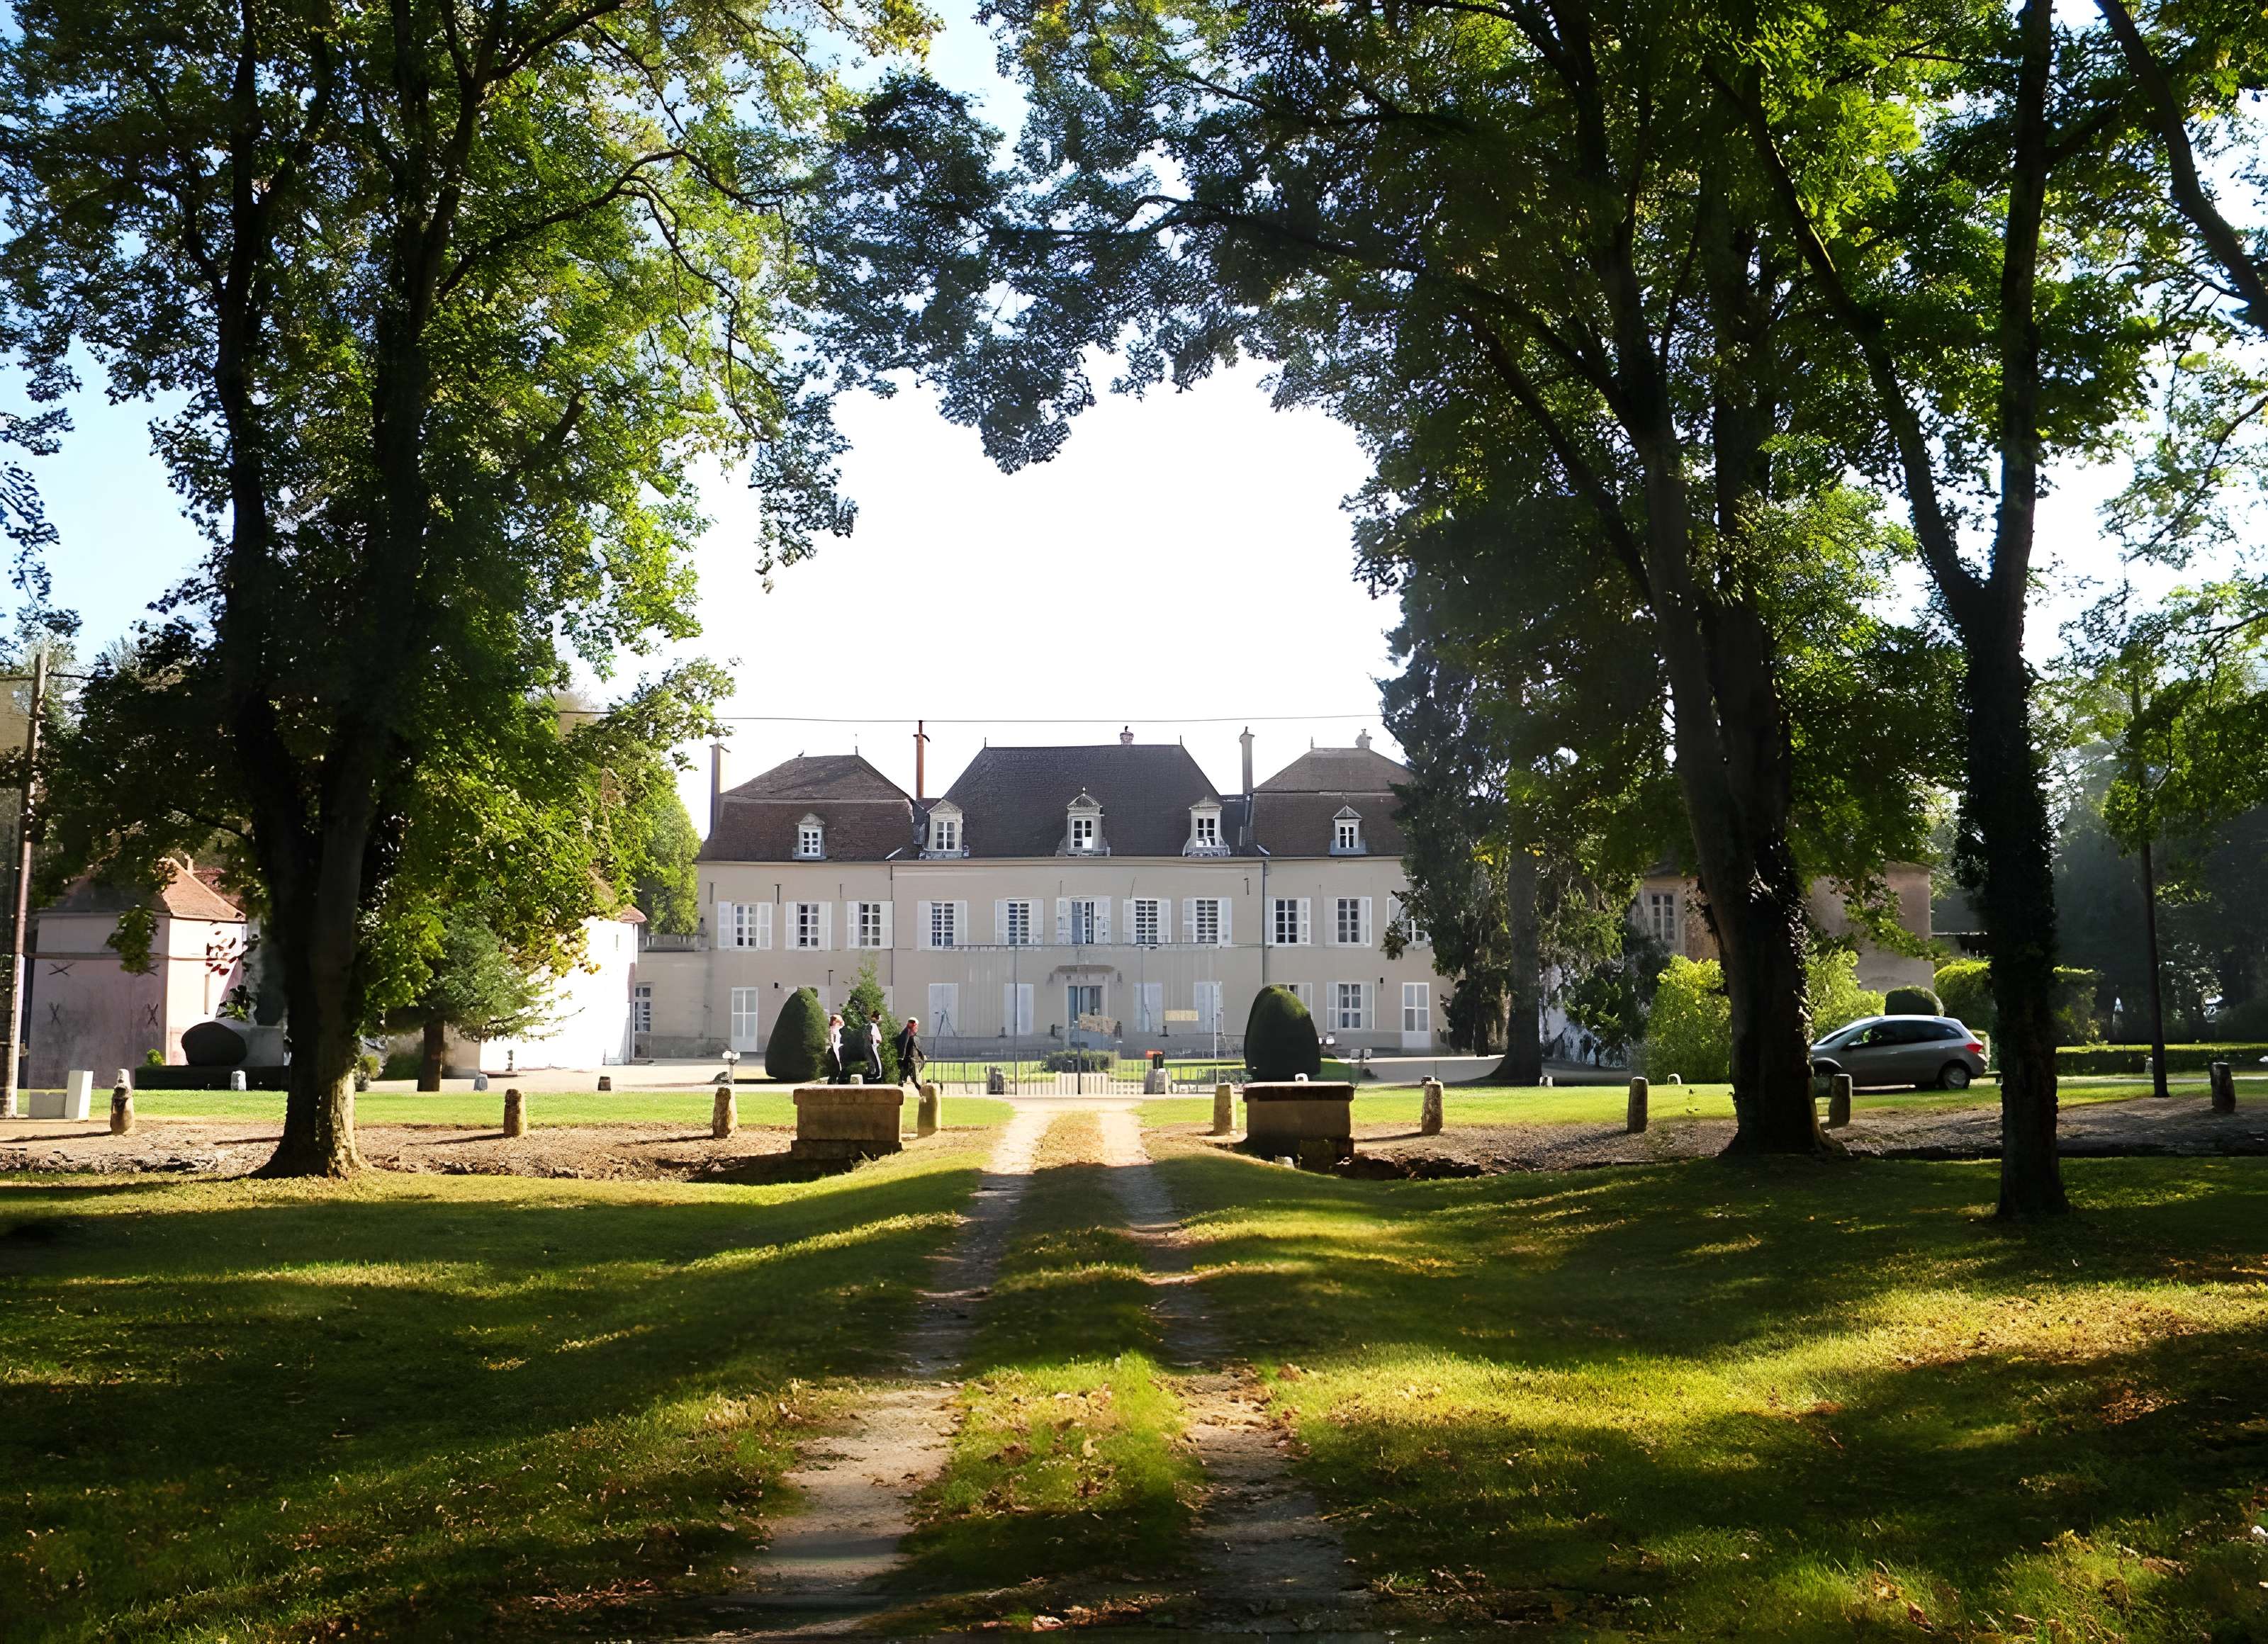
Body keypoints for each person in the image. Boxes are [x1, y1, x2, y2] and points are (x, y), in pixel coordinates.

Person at [895, 1016, 925, 1088]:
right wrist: (902, 1056)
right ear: (914, 1025)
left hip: (908, 1057)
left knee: (906, 1072)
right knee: (907, 1070)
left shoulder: (908, 1032)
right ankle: (908, 1081)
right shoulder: (907, 1033)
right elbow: (905, 1045)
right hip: (907, 1057)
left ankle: (906, 1081)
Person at [826, 1013, 846, 1083]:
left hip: (840, 1045)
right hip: (837, 1046)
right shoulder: (834, 1028)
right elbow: (832, 1037)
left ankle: (840, 1073)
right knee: (839, 1060)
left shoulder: (840, 1027)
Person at [864, 1014, 885, 1083]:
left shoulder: (871, 1025)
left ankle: (876, 1074)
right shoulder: (873, 1025)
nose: (880, 1020)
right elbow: (871, 1036)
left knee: (873, 1060)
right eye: (879, 1018)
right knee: (876, 1060)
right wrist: (874, 1043)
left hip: (872, 1045)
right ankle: (879, 1074)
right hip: (873, 1045)